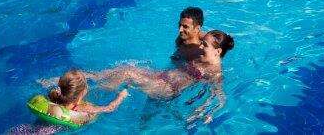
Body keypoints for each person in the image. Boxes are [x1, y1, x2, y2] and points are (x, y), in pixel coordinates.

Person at [88, 29, 234, 102]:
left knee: (127, 74)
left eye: (205, 45)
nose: (200, 46)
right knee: (126, 68)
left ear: (218, 51)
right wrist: (192, 29)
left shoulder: (215, 72)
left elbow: (219, 96)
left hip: (167, 89)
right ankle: (91, 76)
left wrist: (204, 112)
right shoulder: (205, 54)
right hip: (161, 76)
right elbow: (200, 34)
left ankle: (91, 95)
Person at [41, 70, 128, 127]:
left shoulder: (52, 97)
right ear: (79, 96)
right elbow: (109, 108)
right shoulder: (82, 108)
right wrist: (121, 96)